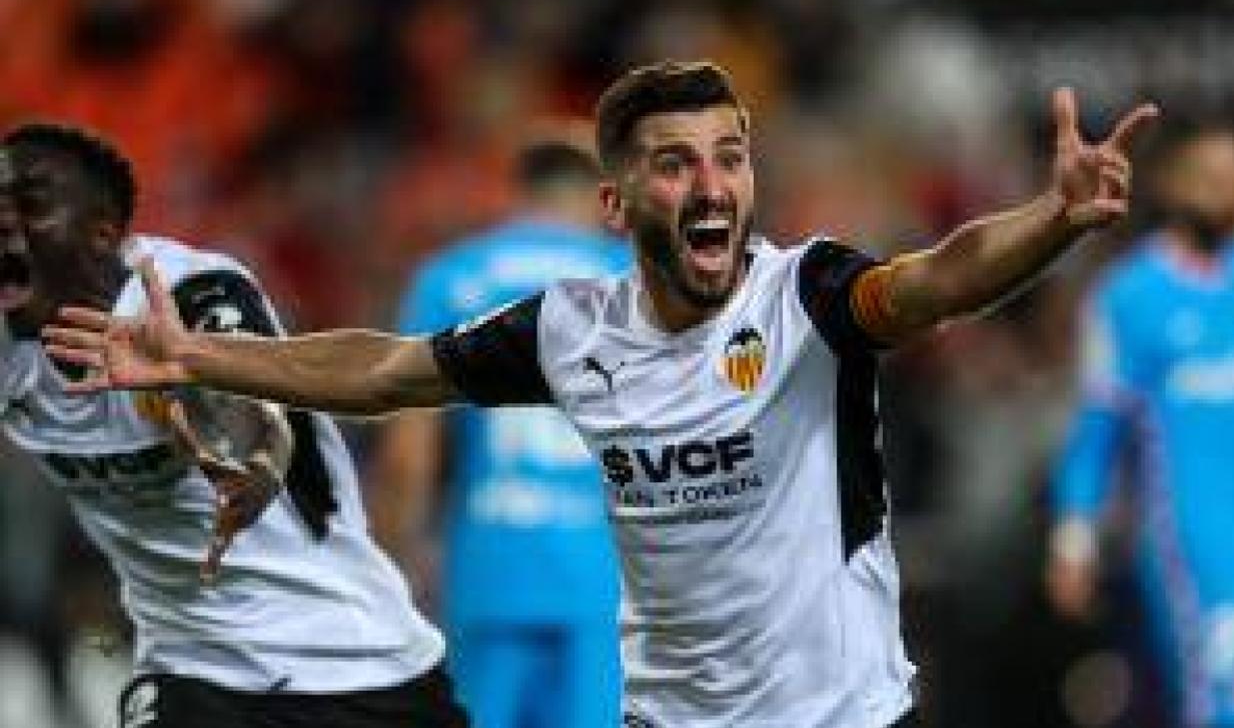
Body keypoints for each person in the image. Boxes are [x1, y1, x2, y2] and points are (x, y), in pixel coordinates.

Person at [45, 61, 1157, 728]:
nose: (713, 184)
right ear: (618, 206)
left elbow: (939, 278)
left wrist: (1052, 219)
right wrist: (200, 356)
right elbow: (387, 370)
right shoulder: (572, 327)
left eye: (732, 155)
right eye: (677, 163)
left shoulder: (805, 297)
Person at [0, 123, 468, 728]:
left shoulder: (192, 291)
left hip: (358, 660)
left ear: (103, 234)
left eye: (30, 202)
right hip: (190, 674)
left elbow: (253, 412)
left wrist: (247, 457)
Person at [370, 136, 628, 728]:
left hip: (490, 564)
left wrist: (392, 567)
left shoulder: (450, 277)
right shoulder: (629, 279)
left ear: (515, 196)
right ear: (598, 199)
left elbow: (409, 455)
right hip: (602, 576)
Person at [1046, 118, 1234, 728]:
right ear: (1173, 185)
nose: (1224, 189)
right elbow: (1096, 425)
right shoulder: (1127, 298)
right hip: (1191, 539)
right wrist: (1075, 535)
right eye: (1208, 174)